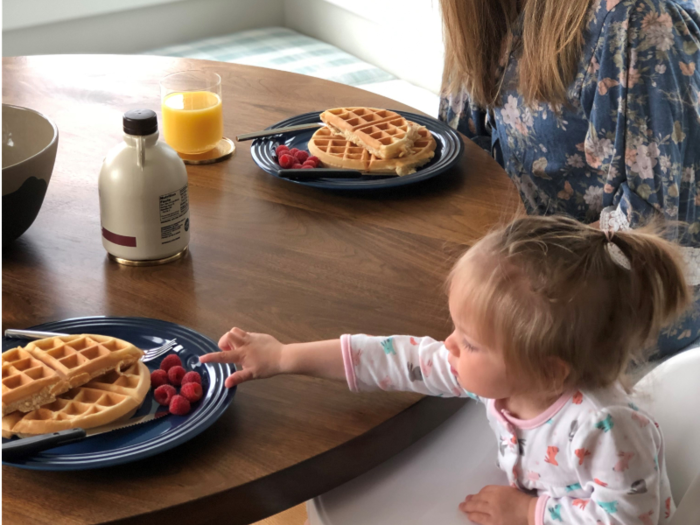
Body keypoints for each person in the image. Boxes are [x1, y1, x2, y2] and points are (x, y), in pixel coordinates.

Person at [200, 215, 691, 525]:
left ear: (548, 374)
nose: (448, 345)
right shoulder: (500, 372)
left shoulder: (604, 427)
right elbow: (394, 359)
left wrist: (529, 512)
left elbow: (629, 520)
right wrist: (285, 357)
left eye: (469, 342)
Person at [437, 0, 700, 356]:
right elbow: (462, 147)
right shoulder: (480, 12)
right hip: (511, 281)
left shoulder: (635, 19)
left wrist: (511, 283)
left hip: (607, 323)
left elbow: (664, 234)